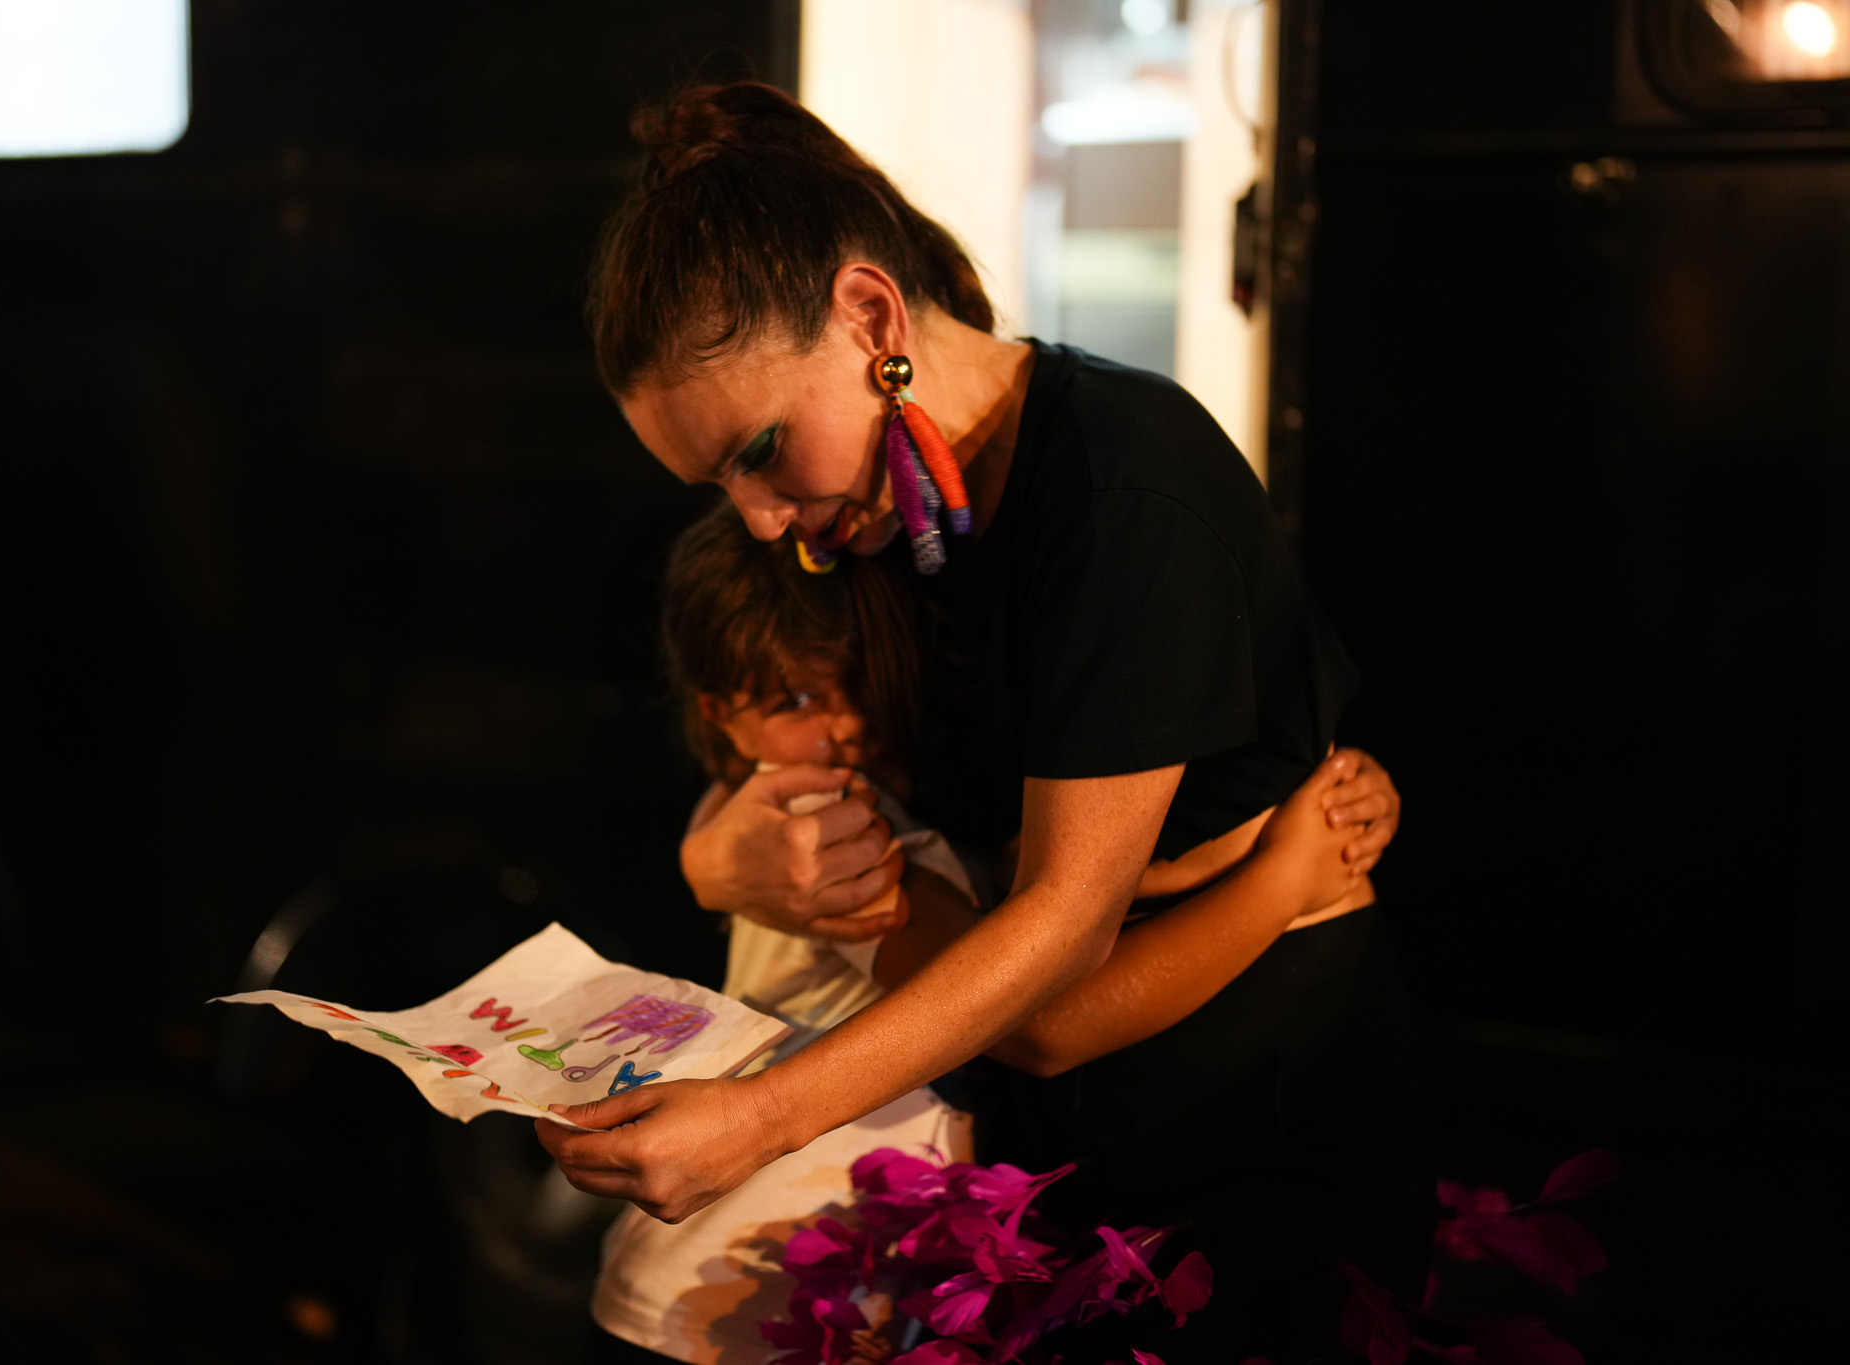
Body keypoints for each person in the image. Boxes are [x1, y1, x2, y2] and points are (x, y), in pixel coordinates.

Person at [540, 81, 1427, 1351]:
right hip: (1029, 1157)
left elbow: (1059, 941)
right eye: (715, 483)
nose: (760, 521)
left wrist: (755, 1120)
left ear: (869, 316)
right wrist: (714, 857)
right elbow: (782, 763)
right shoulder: (869, 511)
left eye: (759, 451)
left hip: (1243, 1131)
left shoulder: (1124, 488)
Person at [590, 502, 1388, 1363]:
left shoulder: (846, 806)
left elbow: (1053, 896)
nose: (846, 722)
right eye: (798, 700)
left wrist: (1275, 826)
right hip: (733, 1287)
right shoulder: (825, 823)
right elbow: (1032, 1018)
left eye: (861, 677)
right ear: (721, 714)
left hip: (811, 1283)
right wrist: (1285, 877)